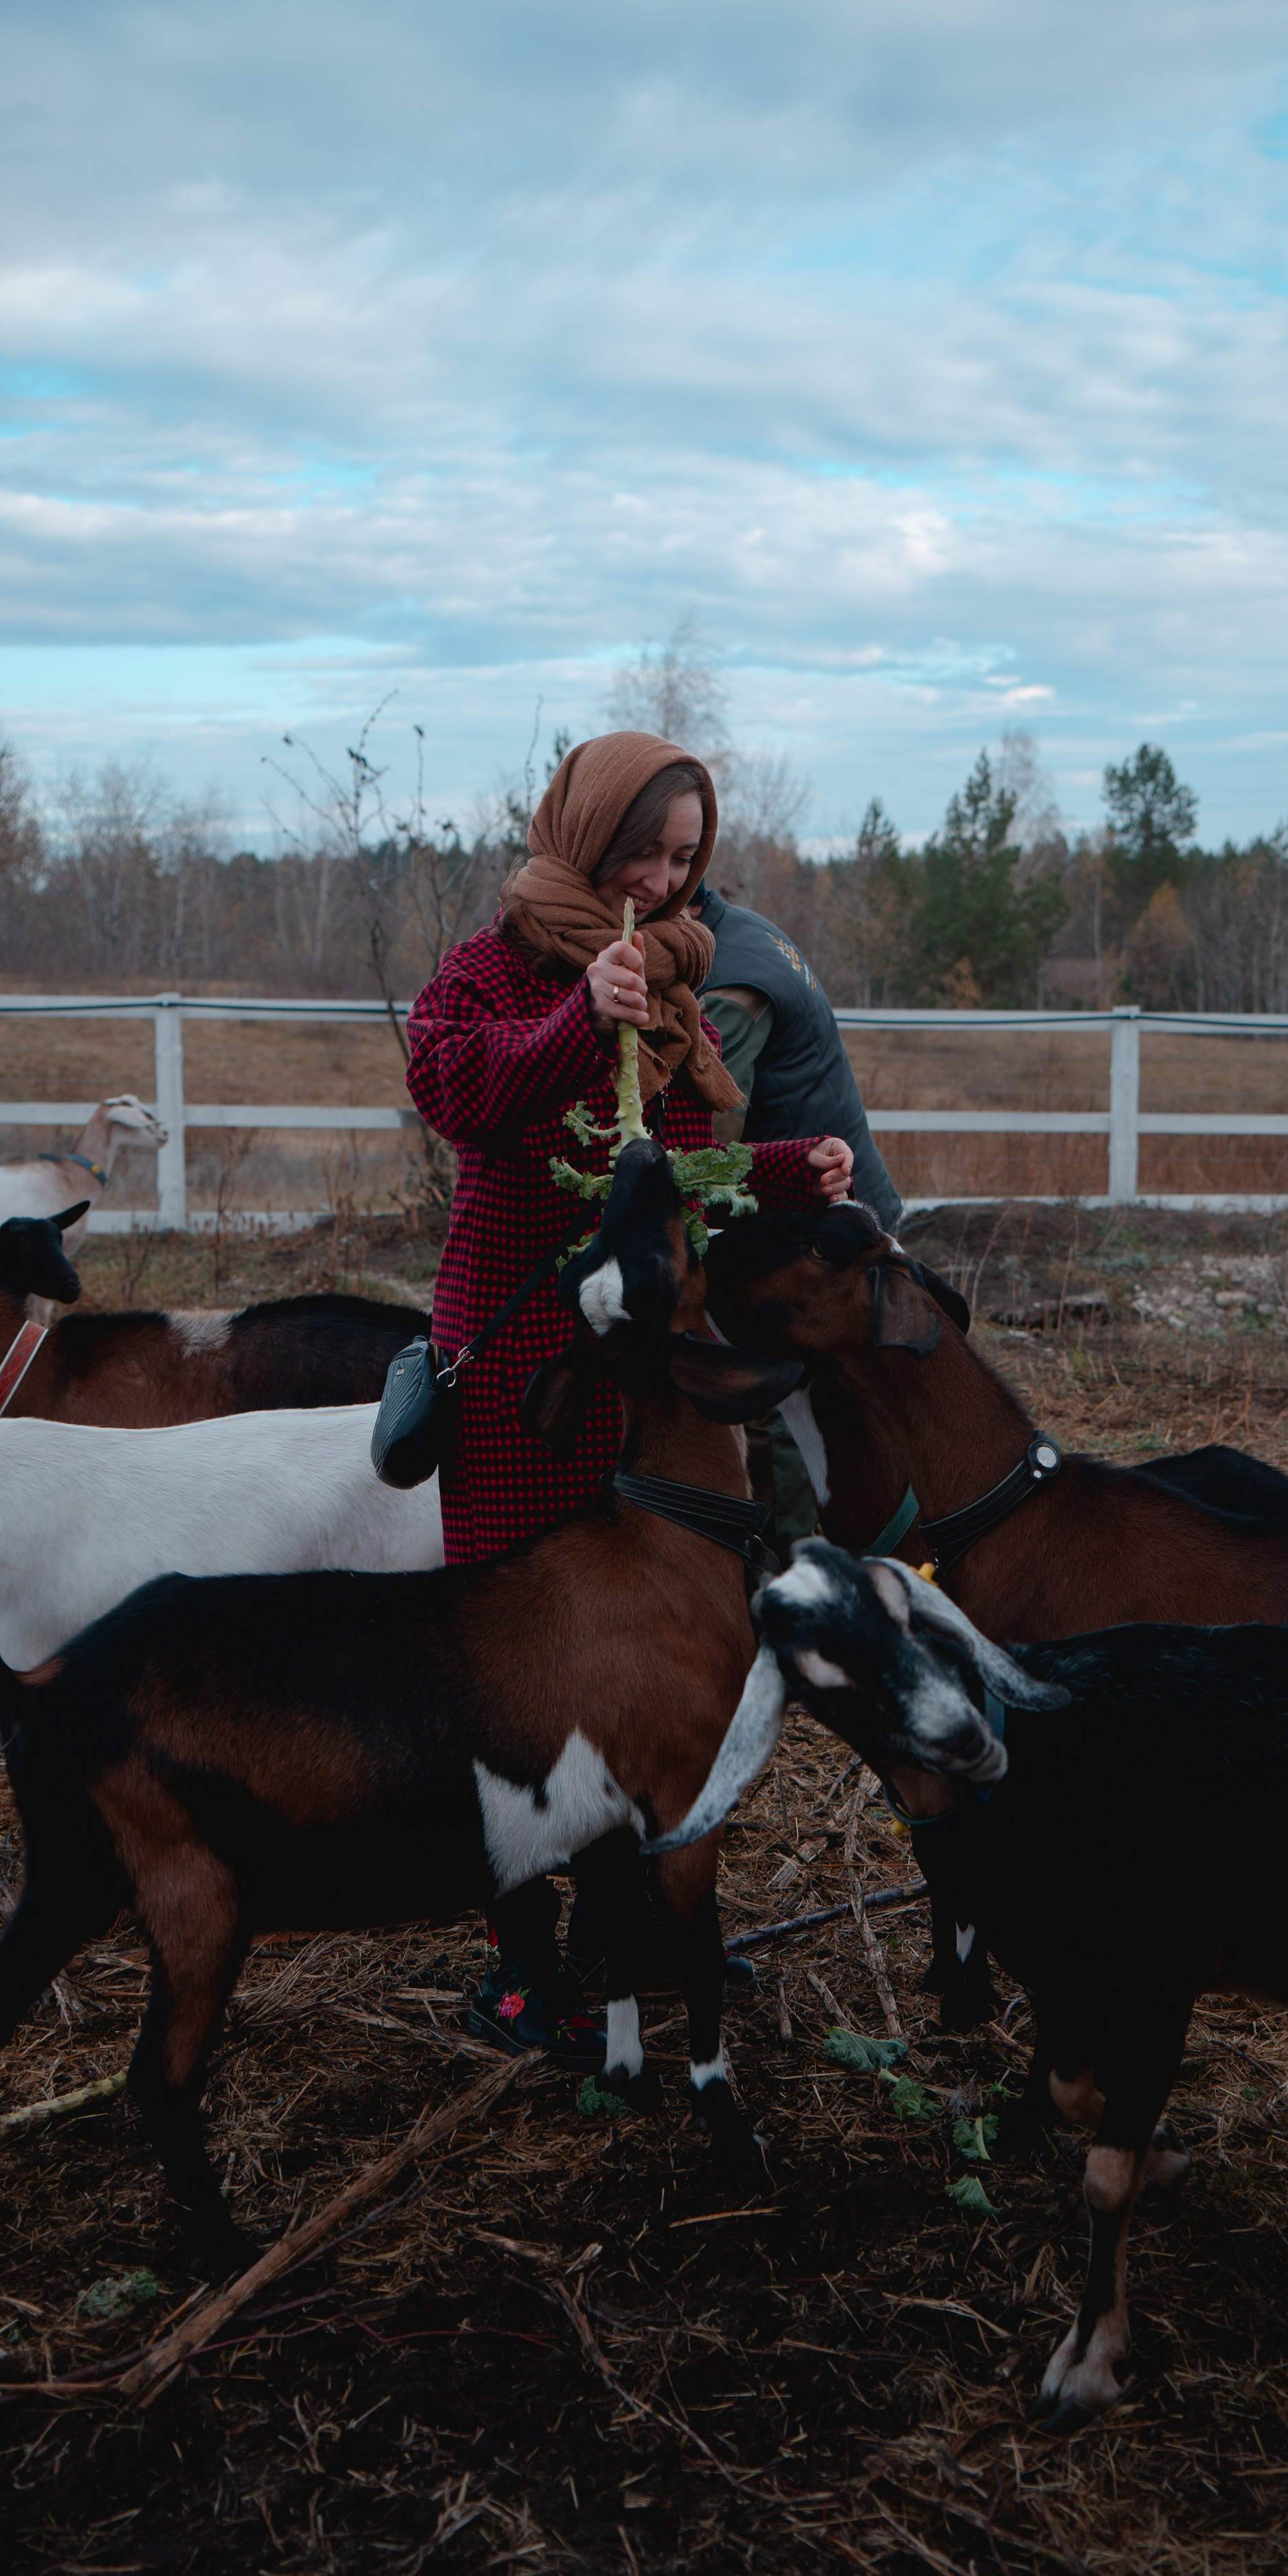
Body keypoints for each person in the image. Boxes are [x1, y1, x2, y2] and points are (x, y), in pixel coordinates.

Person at [405, 730, 852, 2055]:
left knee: (627, 1652)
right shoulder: (485, 970)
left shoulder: (674, 985)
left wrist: (788, 1172)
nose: (661, 883)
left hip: (633, 1384)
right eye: (641, 855)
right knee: (519, 1666)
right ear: (585, 838)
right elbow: (457, 1095)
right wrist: (574, 1022)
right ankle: (520, 1968)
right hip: (516, 1369)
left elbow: (674, 1177)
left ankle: (626, 1935)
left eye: (684, 859)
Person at [694, 878, 903, 1542]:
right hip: (834, 1204)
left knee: (786, 1391)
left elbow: (706, 1141)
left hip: (814, 1227)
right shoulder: (742, 933)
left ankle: (795, 1559)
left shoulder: (729, 987)